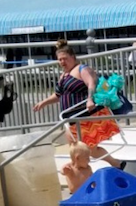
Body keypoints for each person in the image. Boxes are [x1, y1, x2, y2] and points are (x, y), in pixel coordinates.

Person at [33, 39, 125, 170]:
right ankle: (79, 171)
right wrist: (44, 102)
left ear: (73, 57)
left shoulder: (82, 69)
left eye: (65, 58)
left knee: (89, 148)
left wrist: (89, 99)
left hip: (83, 114)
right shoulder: (63, 75)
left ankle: (114, 164)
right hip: (69, 117)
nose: (62, 62)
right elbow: (58, 95)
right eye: (59, 60)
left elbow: (91, 83)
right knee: (73, 147)